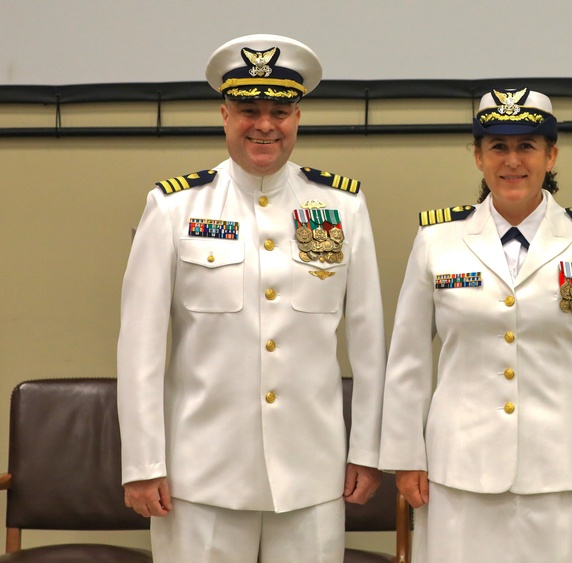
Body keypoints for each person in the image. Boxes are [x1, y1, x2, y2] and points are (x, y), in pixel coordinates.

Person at [117, 34, 386, 562]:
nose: (264, 124)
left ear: (297, 118)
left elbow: (370, 341)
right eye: (248, 110)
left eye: (279, 111)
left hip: (311, 472)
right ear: (224, 114)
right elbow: (140, 347)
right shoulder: (174, 207)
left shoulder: (342, 207)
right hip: (201, 476)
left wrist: (368, 451)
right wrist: (143, 464)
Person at [378, 87, 572, 562]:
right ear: (478, 157)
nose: (512, 160)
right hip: (461, 469)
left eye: (527, 145)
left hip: (570, 470)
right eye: (498, 146)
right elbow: (408, 358)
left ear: (551, 155)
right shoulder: (438, 240)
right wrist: (405, 455)